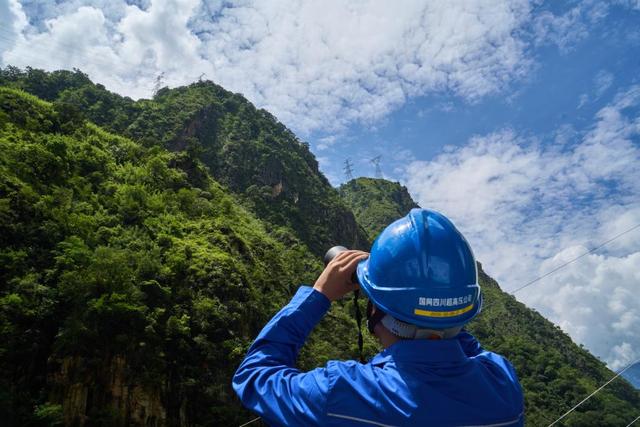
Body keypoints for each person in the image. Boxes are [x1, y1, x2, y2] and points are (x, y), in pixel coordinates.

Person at [233, 208, 524, 426]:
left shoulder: (342, 394)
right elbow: (453, 337)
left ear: (377, 310)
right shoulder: (502, 382)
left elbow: (256, 376)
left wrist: (319, 294)